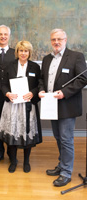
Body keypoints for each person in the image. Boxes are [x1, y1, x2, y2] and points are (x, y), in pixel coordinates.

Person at [38, 28, 87, 187]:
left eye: (59, 39)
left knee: (66, 139)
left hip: (67, 104)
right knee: (58, 137)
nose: (56, 42)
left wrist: (64, 92)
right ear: (50, 41)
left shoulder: (76, 57)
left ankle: (66, 172)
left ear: (65, 40)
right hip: (50, 105)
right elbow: (41, 79)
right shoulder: (46, 59)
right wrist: (41, 90)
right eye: (53, 39)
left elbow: (83, 79)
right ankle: (62, 164)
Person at [0, 41, 42, 173]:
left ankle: (26, 161)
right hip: (12, 105)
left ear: (29, 53)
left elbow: (39, 85)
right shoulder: (9, 66)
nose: (23, 53)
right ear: (17, 52)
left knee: (26, 133)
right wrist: (7, 93)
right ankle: (13, 161)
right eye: (21, 51)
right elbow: (3, 84)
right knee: (13, 132)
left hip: (28, 105)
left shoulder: (35, 67)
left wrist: (32, 93)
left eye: (26, 51)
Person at [0, 25, 15, 164]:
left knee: (11, 124)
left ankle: (12, 153)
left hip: (11, 95)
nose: (3, 36)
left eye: (5, 34)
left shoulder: (15, 53)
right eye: (0, 34)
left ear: (9, 36)